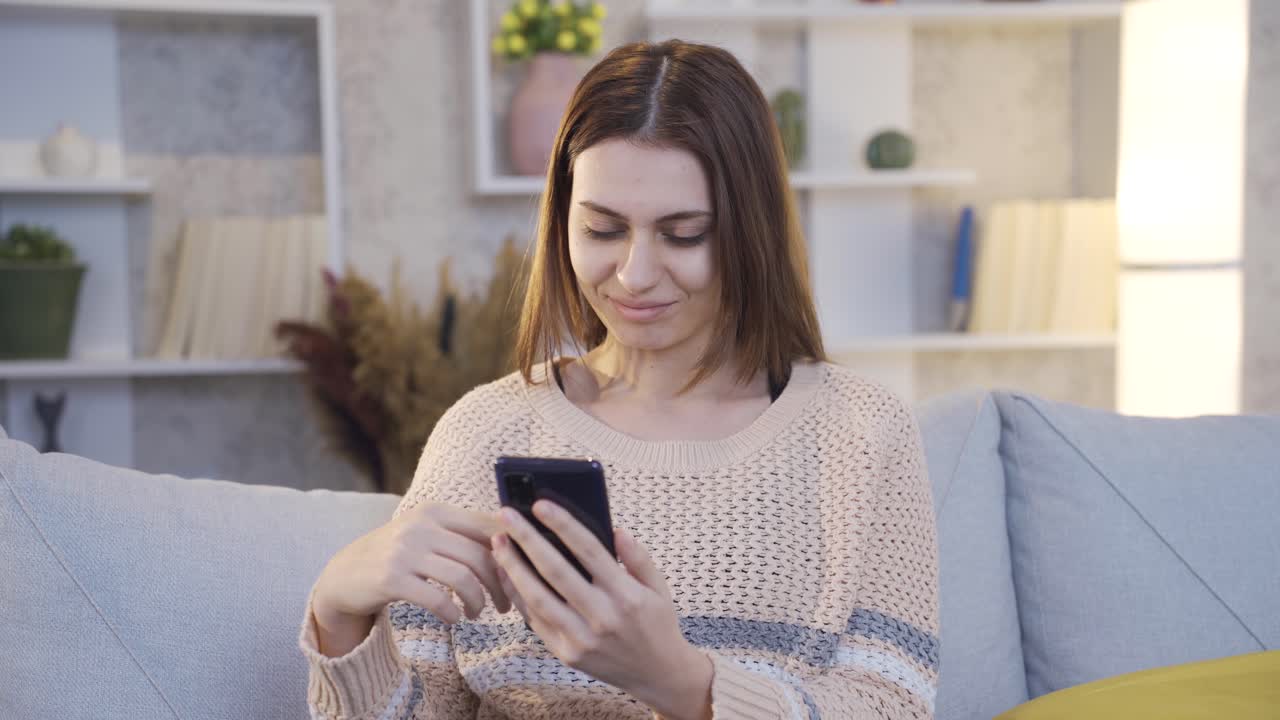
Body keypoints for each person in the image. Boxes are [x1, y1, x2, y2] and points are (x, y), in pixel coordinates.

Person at [299, 39, 938, 720]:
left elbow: (890, 706)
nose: (633, 275)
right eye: (603, 230)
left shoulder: (861, 433)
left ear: (752, 232)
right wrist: (337, 612)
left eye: (684, 235)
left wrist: (678, 683)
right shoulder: (485, 429)